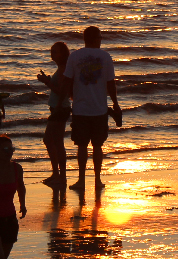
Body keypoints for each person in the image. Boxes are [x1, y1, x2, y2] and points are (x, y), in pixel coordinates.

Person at [62, 26, 122, 191]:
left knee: (81, 146)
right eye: (100, 37)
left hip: (80, 109)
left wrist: (63, 100)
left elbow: (67, 81)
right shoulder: (105, 56)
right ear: (95, 39)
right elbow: (111, 83)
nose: (101, 40)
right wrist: (115, 103)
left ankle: (81, 180)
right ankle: (97, 180)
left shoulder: (74, 56)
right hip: (99, 109)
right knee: (97, 146)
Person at [37, 41, 72, 189]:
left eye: (55, 52)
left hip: (60, 109)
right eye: (51, 51)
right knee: (51, 141)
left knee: (56, 142)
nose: (52, 54)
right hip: (57, 109)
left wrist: (47, 82)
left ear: (63, 54)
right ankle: (56, 174)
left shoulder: (64, 69)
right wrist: (50, 81)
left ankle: (61, 176)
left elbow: (61, 91)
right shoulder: (61, 68)